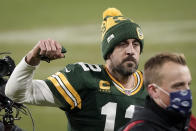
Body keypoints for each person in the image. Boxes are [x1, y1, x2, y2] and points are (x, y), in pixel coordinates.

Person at [5, 8, 147, 131]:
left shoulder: (152, 85)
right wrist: (32, 58)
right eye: (122, 44)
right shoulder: (82, 78)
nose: (130, 51)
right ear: (108, 51)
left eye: (135, 44)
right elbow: (16, 93)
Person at [121, 52, 193, 131]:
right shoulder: (141, 128)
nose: (187, 91)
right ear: (154, 90)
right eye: (178, 85)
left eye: (188, 84)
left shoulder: (188, 121)